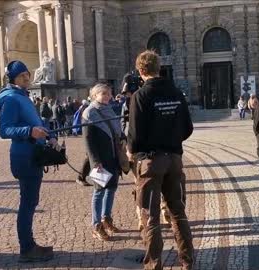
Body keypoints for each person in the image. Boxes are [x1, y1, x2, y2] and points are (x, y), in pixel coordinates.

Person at [127, 50, 194, 270]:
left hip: (151, 161)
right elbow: (188, 128)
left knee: (150, 215)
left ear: (140, 71)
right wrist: (172, 141)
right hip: (174, 159)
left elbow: (135, 136)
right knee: (177, 211)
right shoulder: (176, 92)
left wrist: (132, 152)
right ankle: (187, 261)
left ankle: (154, 264)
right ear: (159, 68)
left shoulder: (140, 96)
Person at [0, 60, 55, 262]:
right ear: (13, 78)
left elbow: (35, 123)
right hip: (24, 157)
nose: (27, 78)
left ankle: (29, 245)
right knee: (28, 204)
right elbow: (4, 130)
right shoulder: (11, 98)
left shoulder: (23, 96)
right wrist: (29, 131)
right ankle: (27, 249)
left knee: (30, 202)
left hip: (33, 155)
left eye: (27, 74)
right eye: (22, 76)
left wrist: (48, 135)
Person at [82, 83, 123, 241]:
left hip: (113, 157)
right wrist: (95, 161)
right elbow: (88, 141)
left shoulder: (109, 109)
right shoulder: (89, 112)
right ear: (95, 95)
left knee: (111, 189)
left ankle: (106, 219)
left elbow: (115, 132)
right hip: (99, 160)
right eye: (103, 93)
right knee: (99, 191)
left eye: (109, 93)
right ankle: (96, 225)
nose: (107, 96)